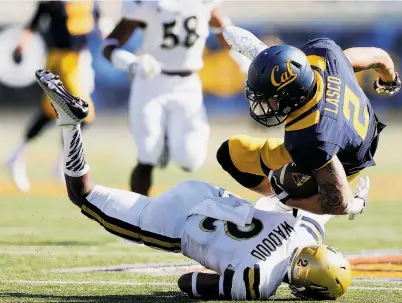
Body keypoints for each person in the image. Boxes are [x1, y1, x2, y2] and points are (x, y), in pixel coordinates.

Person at [34, 69, 357, 301]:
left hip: (206, 194)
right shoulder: (257, 283)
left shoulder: (311, 230)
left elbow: (325, 199)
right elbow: (187, 282)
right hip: (175, 224)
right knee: (84, 195)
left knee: (282, 191)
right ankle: (70, 124)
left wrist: (354, 200)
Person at [216, 26, 401, 218]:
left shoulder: (312, 138)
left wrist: (287, 199)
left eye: (270, 98)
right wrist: (389, 80)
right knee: (234, 152)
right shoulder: (324, 56)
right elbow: (381, 57)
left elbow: (338, 203)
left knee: (279, 178)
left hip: (343, 161)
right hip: (354, 128)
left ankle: (281, 203)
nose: (264, 104)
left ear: (291, 95)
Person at [101, 0, 244, 196]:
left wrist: (241, 56)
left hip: (187, 85)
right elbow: (109, 45)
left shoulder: (203, 3)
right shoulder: (145, 4)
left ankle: (167, 138)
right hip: (151, 83)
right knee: (147, 154)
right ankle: (136, 215)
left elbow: (224, 32)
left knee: (190, 159)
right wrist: (131, 63)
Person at [5, 0, 98, 192]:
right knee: (82, 114)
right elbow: (35, 21)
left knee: (52, 113)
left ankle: (20, 157)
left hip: (80, 59)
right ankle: (60, 165)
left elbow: (97, 20)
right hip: (62, 60)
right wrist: (22, 44)